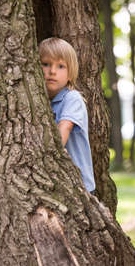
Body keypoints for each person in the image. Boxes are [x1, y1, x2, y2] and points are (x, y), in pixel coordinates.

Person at [39, 37, 96, 194]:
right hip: (58, 181)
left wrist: (46, 153)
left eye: (61, 66)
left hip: (79, 185)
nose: (52, 71)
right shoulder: (40, 101)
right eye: (46, 64)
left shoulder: (72, 98)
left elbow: (65, 126)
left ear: (70, 74)